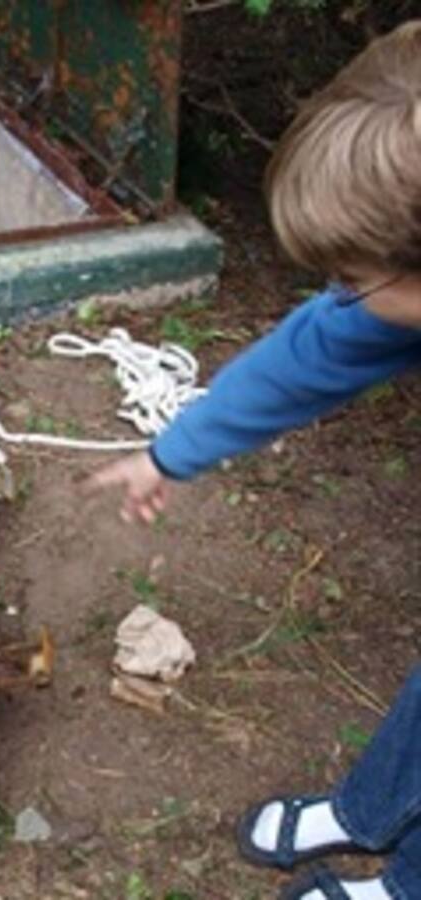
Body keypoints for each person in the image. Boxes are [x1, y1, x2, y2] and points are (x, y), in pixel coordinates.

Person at [88, 20, 421, 900]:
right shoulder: (394, 294)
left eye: (356, 277)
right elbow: (320, 349)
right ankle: (372, 811)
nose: (342, 297)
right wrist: (174, 452)